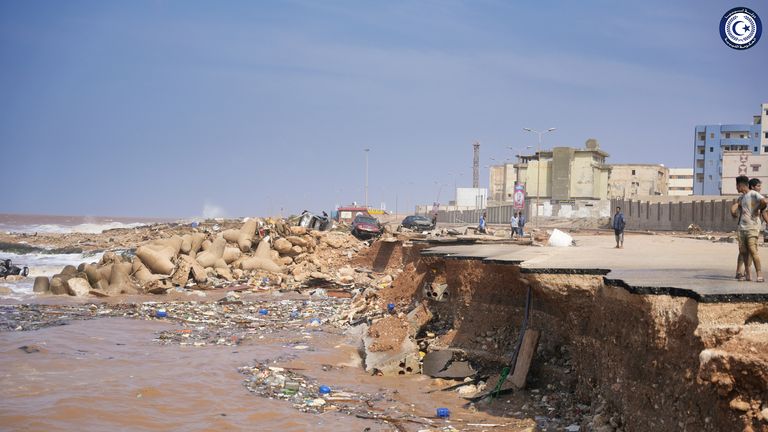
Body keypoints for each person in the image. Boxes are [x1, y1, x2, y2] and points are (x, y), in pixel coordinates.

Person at [731, 175, 768, 282]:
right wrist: (732, 211)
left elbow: (764, 202)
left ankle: (759, 274)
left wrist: (758, 207)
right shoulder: (742, 197)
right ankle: (747, 274)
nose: (736, 188)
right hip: (742, 228)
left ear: (740, 185)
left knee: (752, 250)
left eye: (737, 186)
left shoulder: (754, 194)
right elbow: (736, 205)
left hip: (752, 228)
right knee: (743, 252)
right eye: (758, 186)